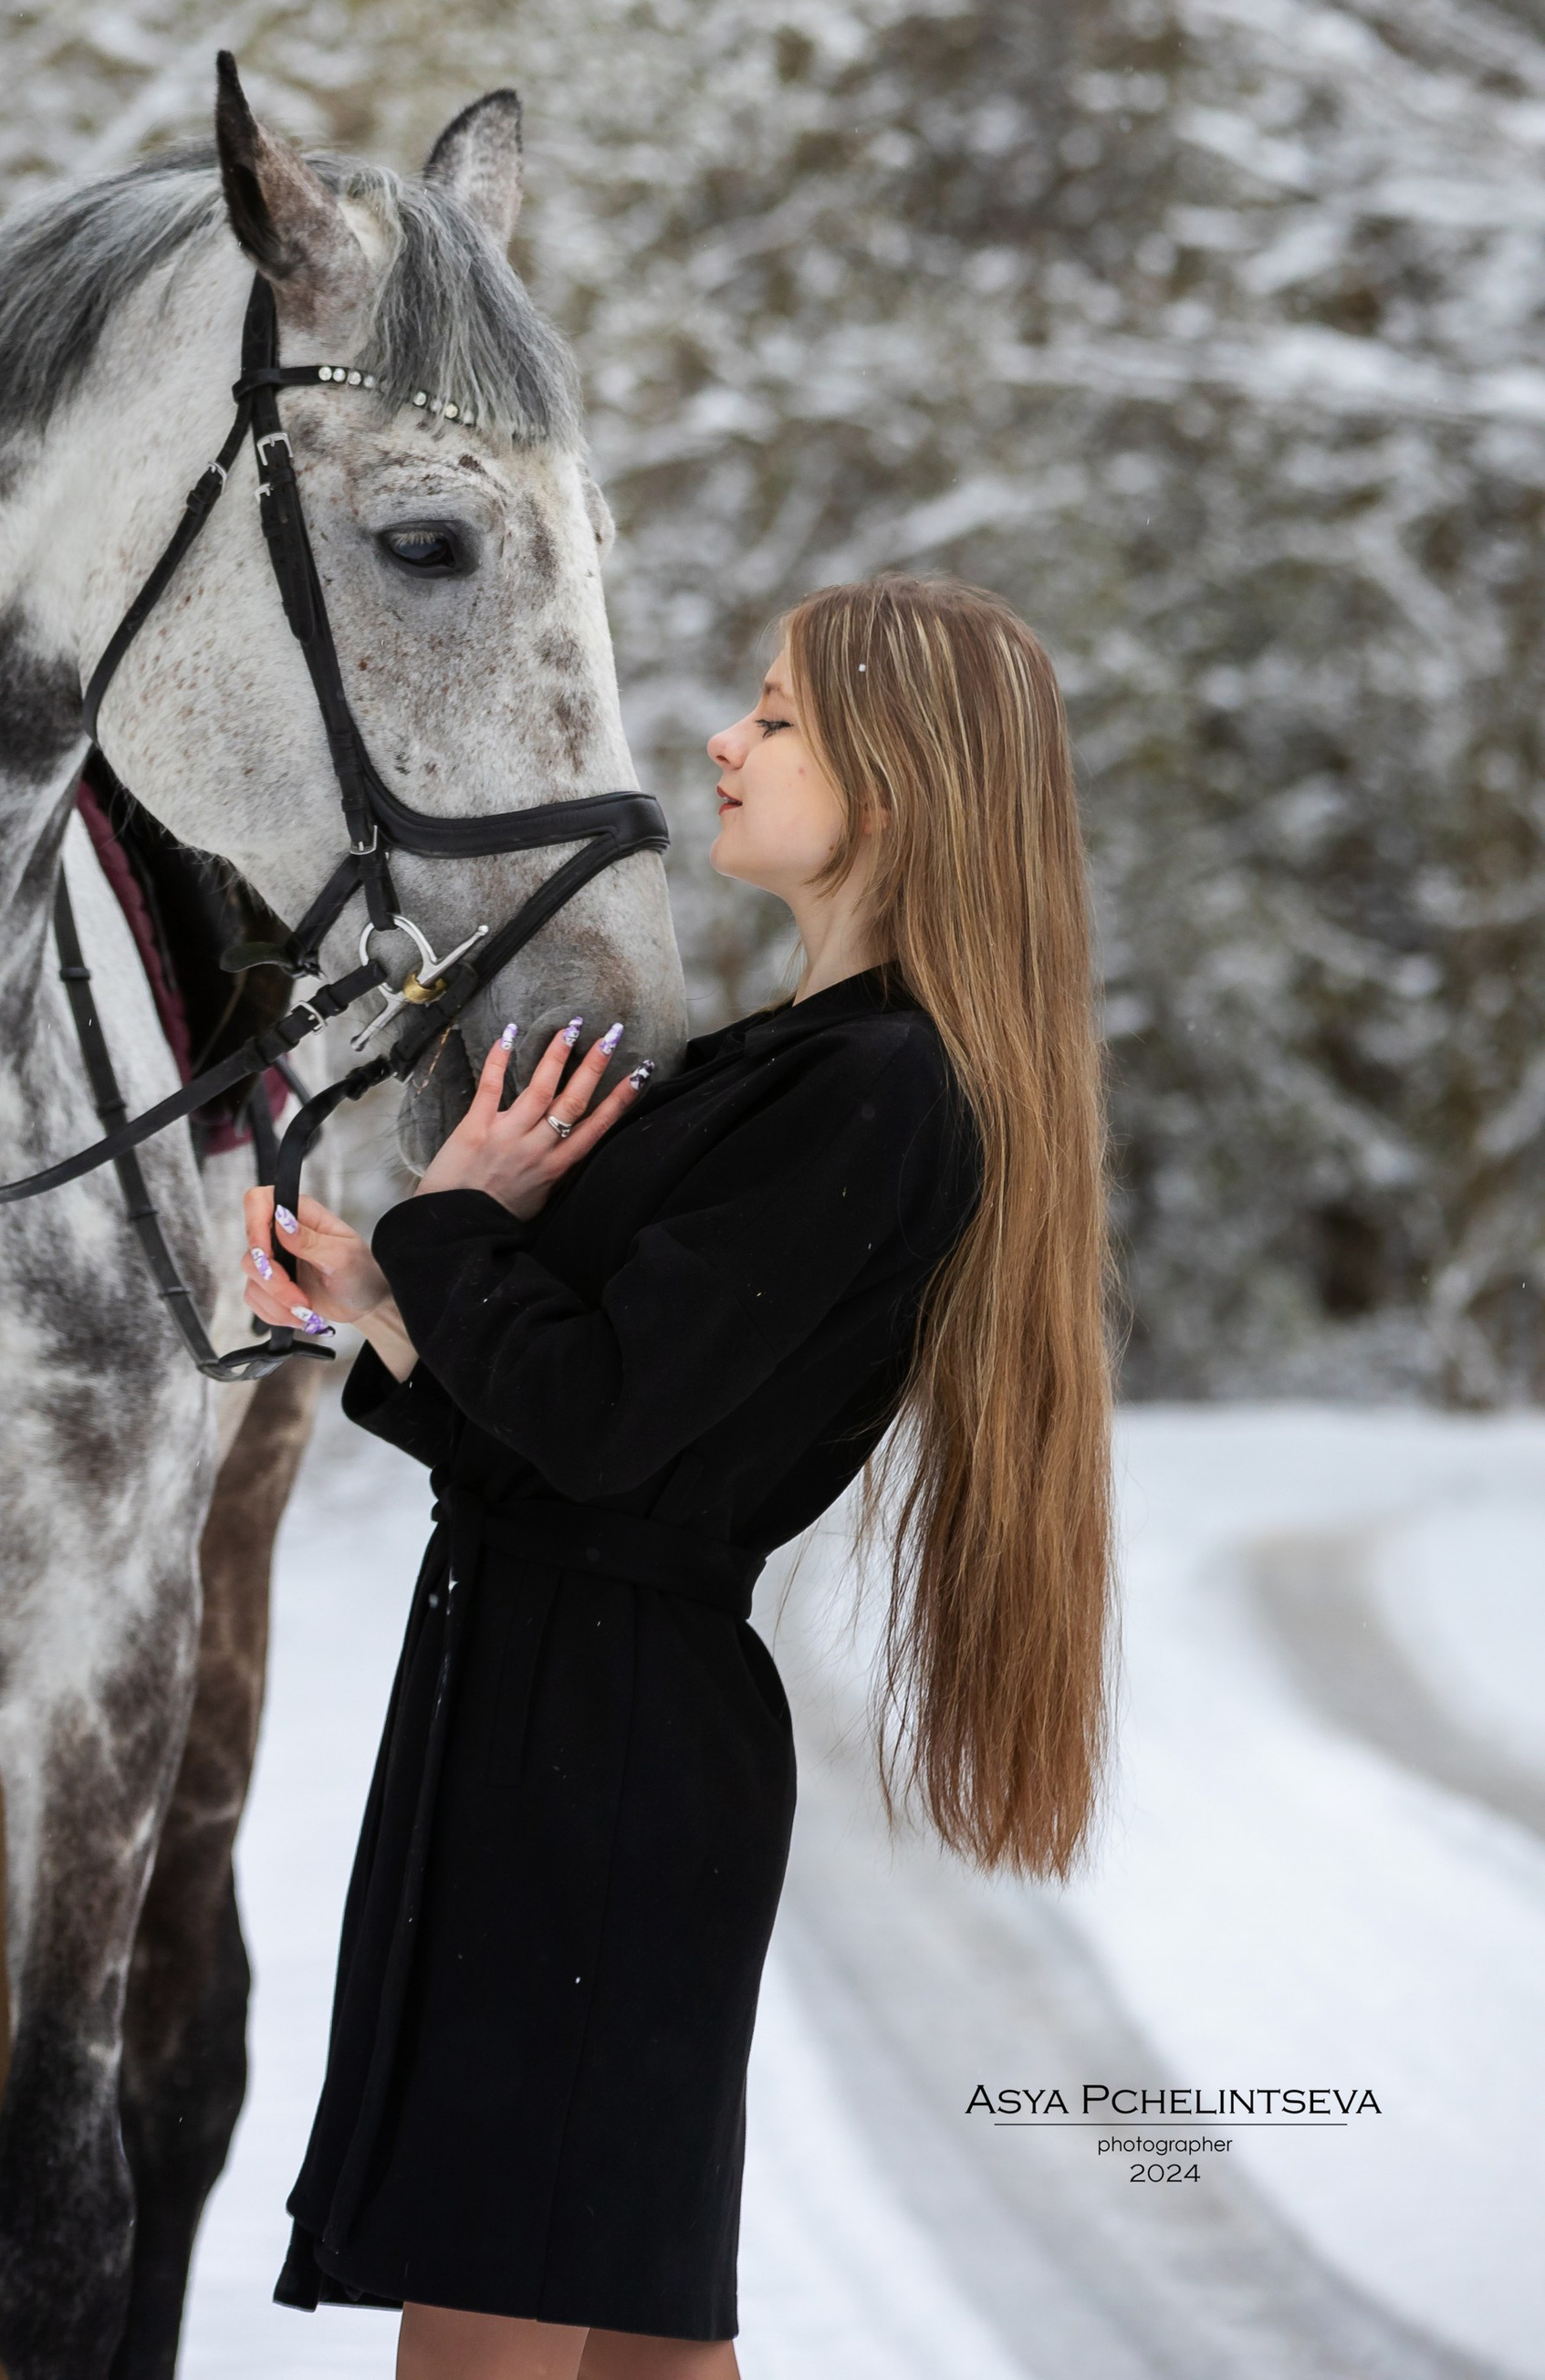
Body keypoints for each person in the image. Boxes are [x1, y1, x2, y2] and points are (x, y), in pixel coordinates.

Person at [240, 571, 1122, 2380]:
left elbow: (601, 1419)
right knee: (624, 2336)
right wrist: (390, 1304)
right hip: (561, 1716)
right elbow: (589, 1448)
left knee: (504, 2317)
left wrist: (444, 1229)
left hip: (599, 1756)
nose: (722, 741)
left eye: (777, 715)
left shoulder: (880, 1088)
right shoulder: (792, 1067)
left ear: (895, 781)